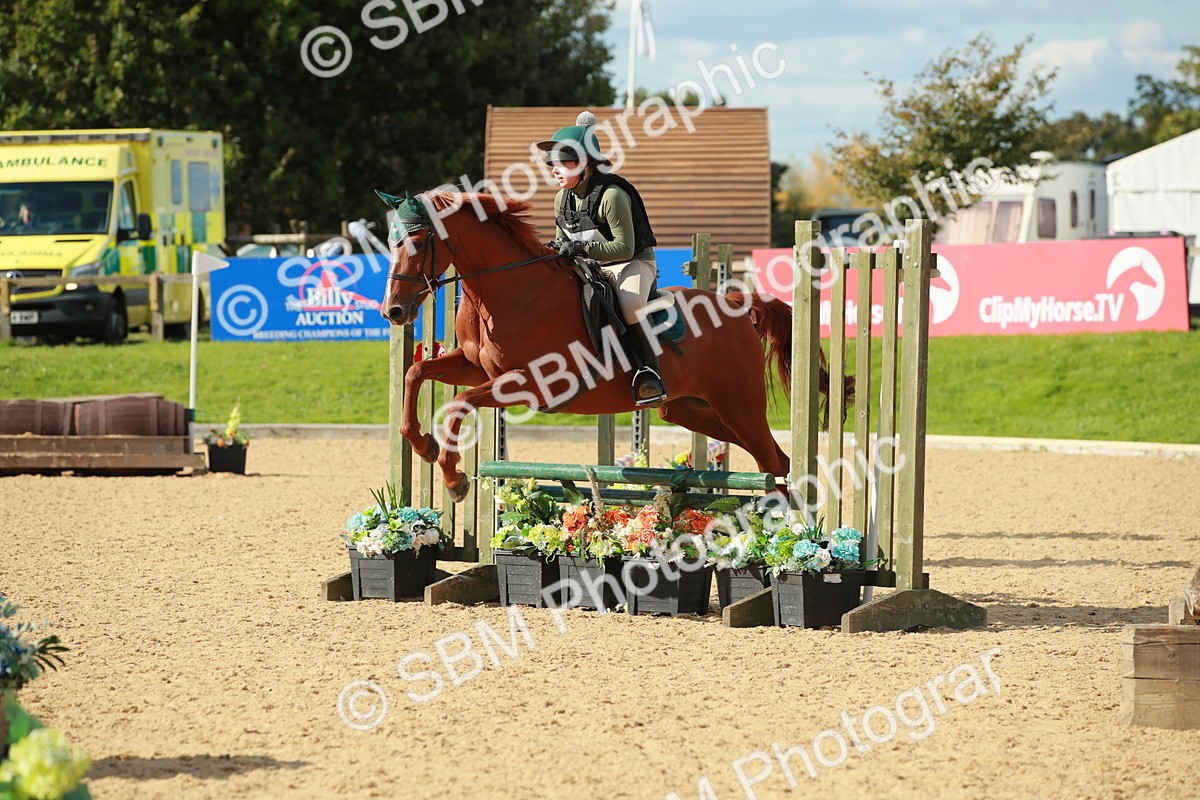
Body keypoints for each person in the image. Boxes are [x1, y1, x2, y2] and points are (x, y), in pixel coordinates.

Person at [536, 111, 667, 408]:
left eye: (563, 162)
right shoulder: (561, 199)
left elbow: (623, 248)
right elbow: (563, 242)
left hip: (632, 262)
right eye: (551, 163)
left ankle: (650, 374)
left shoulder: (612, 195)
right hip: (593, 266)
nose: (554, 169)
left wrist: (580, 250)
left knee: (631, 303)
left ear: (585, 163)